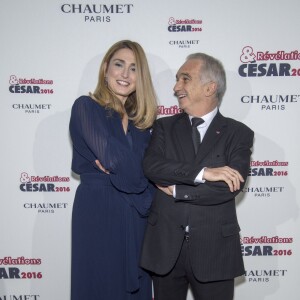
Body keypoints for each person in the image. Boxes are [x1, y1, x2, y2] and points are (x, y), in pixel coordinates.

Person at [140, 53, 254, 300]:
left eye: (185, 79)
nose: (176, 87)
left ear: (210, 88)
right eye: (177, 79)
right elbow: (152, 167)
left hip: (215, 251)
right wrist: (204, 173)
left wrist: (179, 191)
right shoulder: (164, 127)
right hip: (166, 248)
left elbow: (230, 186)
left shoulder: (239, 133)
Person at [69, 40, 157, 300]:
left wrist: (127, 169)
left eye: (133, 69)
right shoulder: (86, 107)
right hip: (100, 211)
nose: (125, 74)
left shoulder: (143, 125)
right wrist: (135, 171)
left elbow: (144, 171)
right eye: (119, 65)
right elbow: (117, 161)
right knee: (100, 285)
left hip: (138, 215)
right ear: (106, 68)